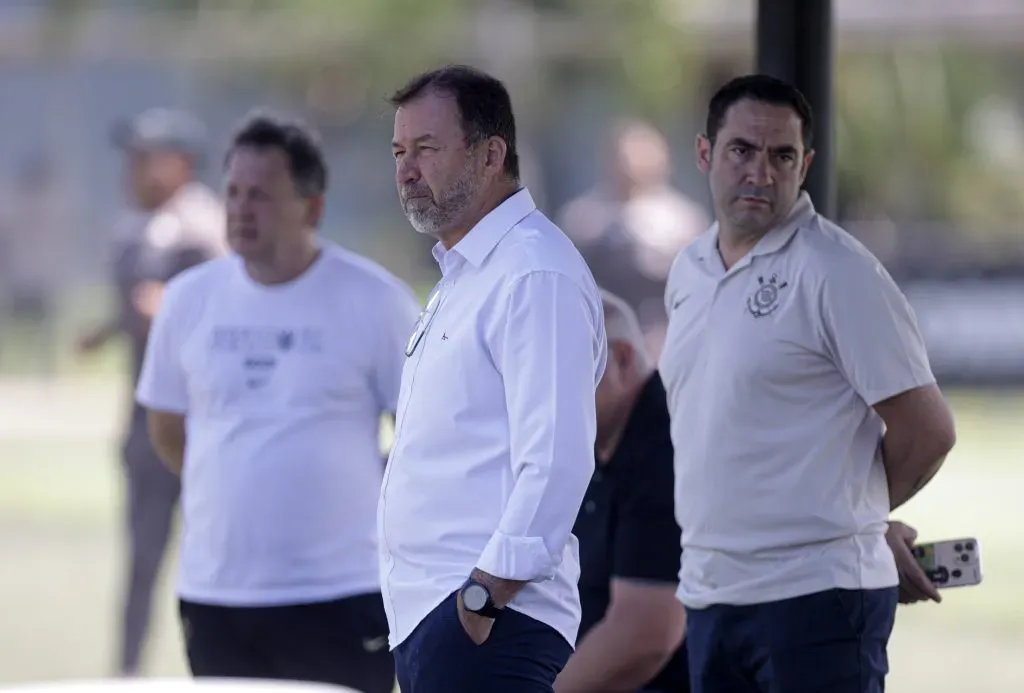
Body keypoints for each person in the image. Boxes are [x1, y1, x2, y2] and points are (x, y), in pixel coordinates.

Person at [658, 74, 957, 693]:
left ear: (806, 164)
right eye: (742, 150)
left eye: (782, 155)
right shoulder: (688, 270)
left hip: (817, 599)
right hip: (711, 594)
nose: (760, 173)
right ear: (705, 153)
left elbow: (927, 431)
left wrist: (861, 518)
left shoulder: (838, 273)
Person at [134, 113, 418, 693]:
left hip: (342, 593)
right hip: (216, 595)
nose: (240, 209)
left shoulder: (375, 300)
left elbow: (421, 432)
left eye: (261, 195)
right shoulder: (190, 300)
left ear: (312, 208)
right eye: (232, 192)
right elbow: (166, 424)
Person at [381, 65, 607, 693]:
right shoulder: (467, 274)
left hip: (492, 624)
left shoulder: (535, 273)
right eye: (399, 151)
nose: (406, 169)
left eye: (426, 148)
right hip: (439, 622)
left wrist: (483, 598)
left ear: (490, 154)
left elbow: (558, 459)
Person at [76, 107, 227, 678]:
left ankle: (222, 674)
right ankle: (125, 677)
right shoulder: (134, 226)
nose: (132, 169)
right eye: (131, 157)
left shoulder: (208, 227)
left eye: (144, 157)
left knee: (215, 558)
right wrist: (109, 328)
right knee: (141, 560)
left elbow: (233, 304)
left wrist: (175, 310)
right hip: (145, 422)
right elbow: (137, 303)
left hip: (205, 424)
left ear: (181, 163)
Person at [555, 290, 688, 693]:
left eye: (561, 374)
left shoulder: (664, 447)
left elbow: (645, 633)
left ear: (624, 359)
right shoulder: (598, 440)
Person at [557, 119, 707, 359]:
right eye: (624, 156)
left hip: (664, 341)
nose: (630, 164)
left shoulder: (682, 221)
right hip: (601, 342)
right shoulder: (584, 217)